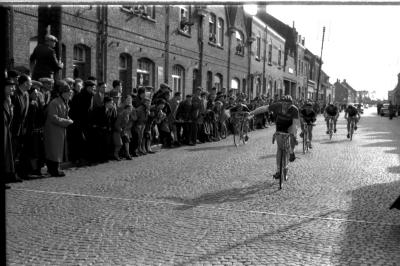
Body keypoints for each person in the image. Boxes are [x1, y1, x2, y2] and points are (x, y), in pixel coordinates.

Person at [43, 80, 74, 177]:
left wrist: (68, 119)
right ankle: (53, 170)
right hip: (53, 130)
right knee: (53, 151)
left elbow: (64, 115)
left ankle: (56, 168)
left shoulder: (64, 102)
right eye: (68, 93)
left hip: (59, 130)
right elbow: (53, 117)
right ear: (63, 93)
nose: (70, 94)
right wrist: (67, 122)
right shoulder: (55, 102)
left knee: (57, 150)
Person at [268, 95, 299, 179]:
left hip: (289, 126)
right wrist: (251, 113)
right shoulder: (277, 106)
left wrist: (294, 135)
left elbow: (295, 124)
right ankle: (278, 171)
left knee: (292, 135)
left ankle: (292, 152)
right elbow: (263, 108)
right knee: (280, 149)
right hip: (280, 126)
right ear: (281, 103)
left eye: (288, 104)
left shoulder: (294, 109)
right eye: (284, 103)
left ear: (291, 104)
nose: (285, 105)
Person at [3, 79, 21, 186]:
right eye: (10, 86)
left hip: (7, 131)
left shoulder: (9, 99)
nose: (13, 89)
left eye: (13, 86)